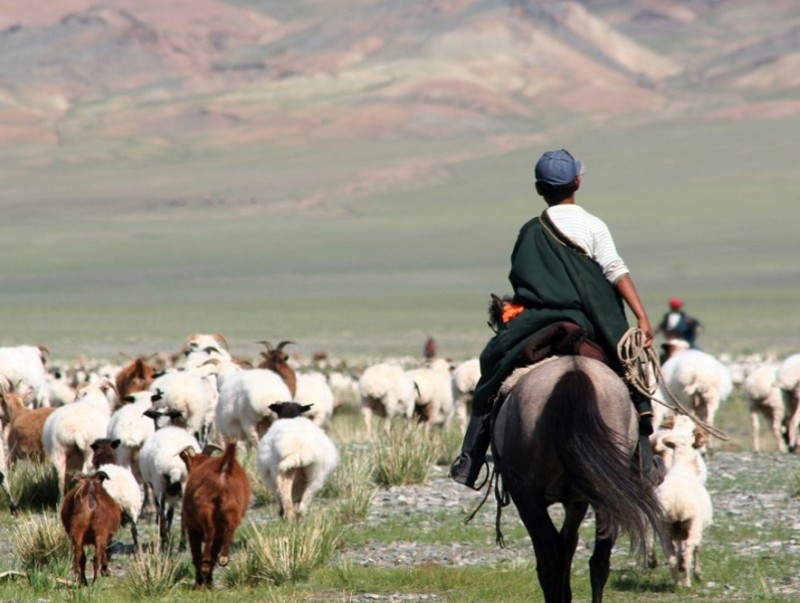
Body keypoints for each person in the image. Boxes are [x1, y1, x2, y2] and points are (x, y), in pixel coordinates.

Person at [449, 148, 660, 489]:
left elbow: (524, 282)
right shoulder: (593, 225)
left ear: (539, 189)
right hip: (591, 320)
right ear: (577, 182)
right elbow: (614, 269)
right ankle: (644, 457)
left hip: (538, 320)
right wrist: (642, 316)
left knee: (493, 364)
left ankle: (470, 458)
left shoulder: (530, 231)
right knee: (632, 370)